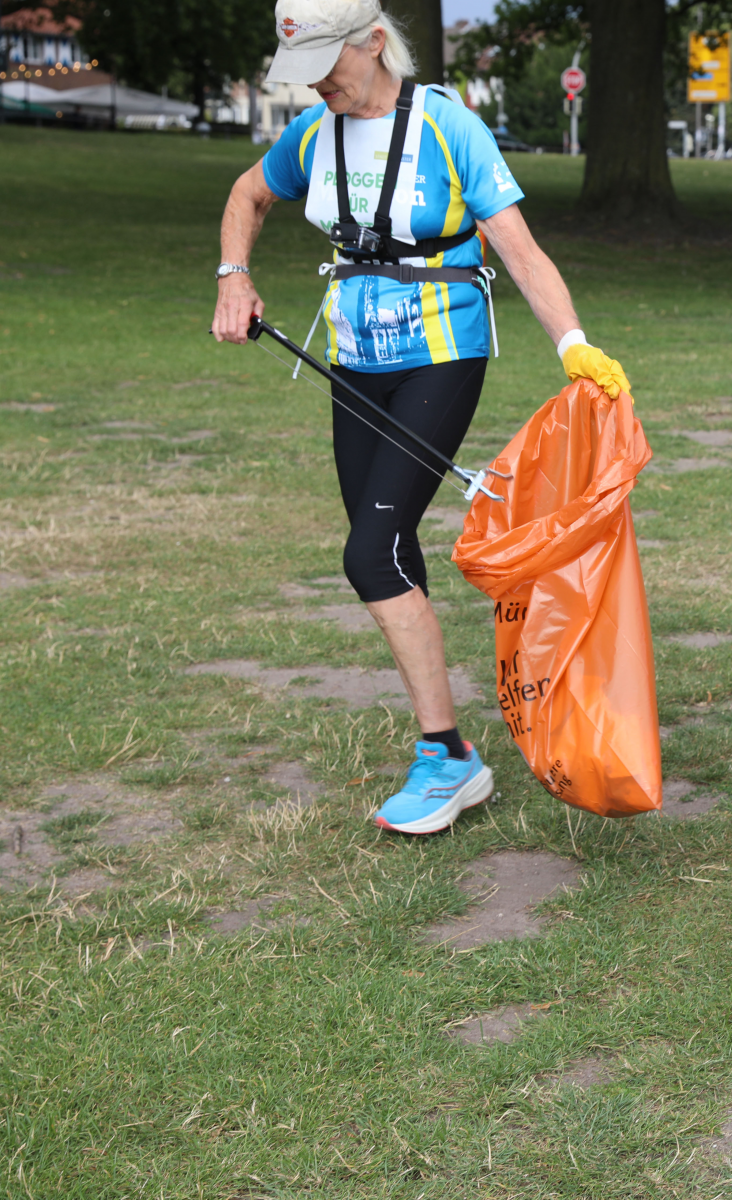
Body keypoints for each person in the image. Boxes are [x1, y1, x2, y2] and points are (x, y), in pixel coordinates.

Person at [211, 0, 630, 835]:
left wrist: (574, 345)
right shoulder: (311, 134)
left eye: (329, 63)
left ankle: (447, 756)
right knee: (391, 546)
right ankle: (448, 758)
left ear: (374, 42)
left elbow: (519, 247)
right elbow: (248, 194)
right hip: (354, 358)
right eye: (304, 71)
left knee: (369, 552)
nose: (318, 84)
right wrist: (233, 274)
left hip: (442, 353)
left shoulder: (446, 127)